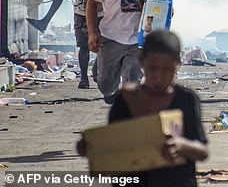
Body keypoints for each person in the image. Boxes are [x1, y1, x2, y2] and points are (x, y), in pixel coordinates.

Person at [77, 30, 208, 187]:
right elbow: (111, 146)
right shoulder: (125, 100)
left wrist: (181, 145)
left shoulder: (186, 100)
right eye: (152, 69)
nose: (159, 77)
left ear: (178, 63)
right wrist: (89, 146)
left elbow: (202, 151)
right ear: (141, 62)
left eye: (167, 70)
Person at [86, 0, 163, 104]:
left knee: (132, 81)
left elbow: (160, 2)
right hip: (112, 37)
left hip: (139, 39)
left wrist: (166, 12)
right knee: (105, 84)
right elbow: (92, 3)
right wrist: (92, 33)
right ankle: (104, 76)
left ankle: (128, 111)